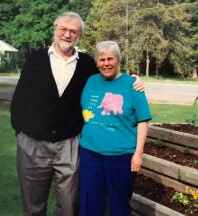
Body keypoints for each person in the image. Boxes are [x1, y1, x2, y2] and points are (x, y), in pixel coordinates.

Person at [10, 12, 144, 216]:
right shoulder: (36, 58)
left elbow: (109, 74)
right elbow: (19, 99)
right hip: (32, 143)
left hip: (69, 145)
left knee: (69, 205)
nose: (67, 34)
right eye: (63, 29)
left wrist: (134, 79)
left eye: (73, 31)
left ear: (79, 35)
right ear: (55, 29)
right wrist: (21, 133)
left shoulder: (87, 64)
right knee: (33, 204)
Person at [78, 41, 151, 216]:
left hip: (121, 156)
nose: (106, 63)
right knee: (89, 201)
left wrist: (138, 153)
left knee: (119, 202)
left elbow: (143, 120)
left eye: (110, 58)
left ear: (118, 60)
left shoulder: (132, 85)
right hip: (90, 153)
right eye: (102, 59)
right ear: (96, 62)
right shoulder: (91, 81)